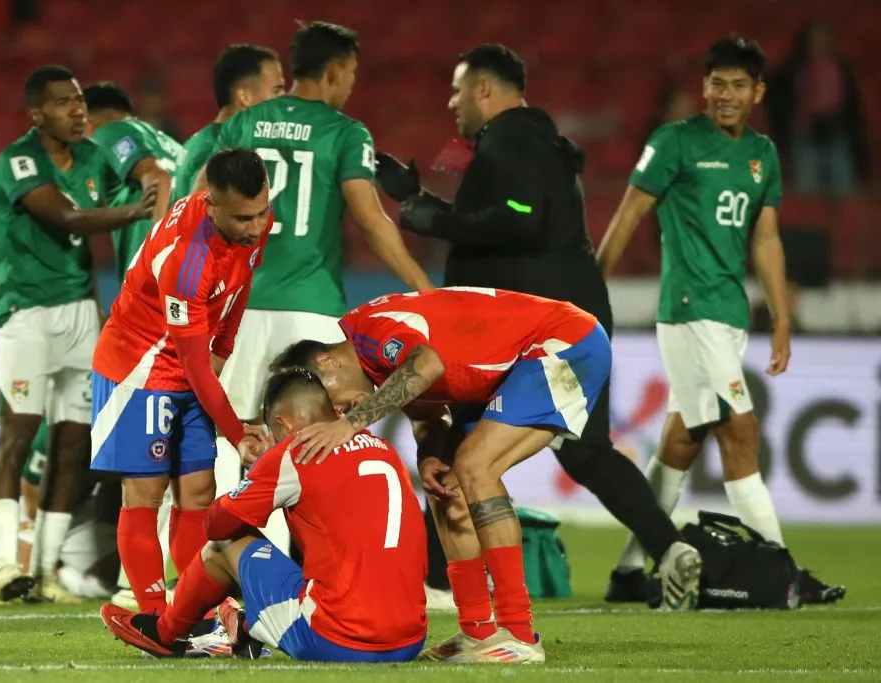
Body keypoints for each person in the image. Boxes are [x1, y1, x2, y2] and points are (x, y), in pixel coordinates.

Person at [374, 44, 699, 610]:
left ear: (483, 90)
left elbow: (520, 219)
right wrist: (418, 198)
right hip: (560, 323)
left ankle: (436, 582)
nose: (451, 103)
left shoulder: (514, 137)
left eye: (457, 90)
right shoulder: (527, 140)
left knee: (457, 443)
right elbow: (512, 218)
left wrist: (439, 220)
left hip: (539, 331)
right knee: (583, 451)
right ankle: (669, 549)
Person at [273, 287, 693, 664]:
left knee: (475, 466)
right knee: (446, 488)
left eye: (333, 402)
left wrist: (348, 426)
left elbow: (428, 365)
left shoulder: (373, 329)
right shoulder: (376, 368)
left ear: (327, 360)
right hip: (515, 367)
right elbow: (429, 415)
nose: (341, 413)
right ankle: (478, 631)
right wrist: (427, 460)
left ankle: (519, 633)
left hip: (564, 343)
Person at [596, 35, 844, 605]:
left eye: (737, 85)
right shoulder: (675, 142)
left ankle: (630, 570)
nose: (724, 95)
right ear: (703, 87)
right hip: (689, 310)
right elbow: (630, 212)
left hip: (729, 313)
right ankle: (783, 569)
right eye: (715, 83)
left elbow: (766, 237)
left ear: (757, 92)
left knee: (681, 442)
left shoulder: (764, 154)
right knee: (742, 430)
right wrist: (591, 287)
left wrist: (781, 316)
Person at [197, 20, 433, 556]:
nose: (350, 82)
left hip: (239, 307)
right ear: (332, 72)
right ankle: (327, 563)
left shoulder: (244, 123)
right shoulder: (347, 133)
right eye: (350, 72)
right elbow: (371, 221)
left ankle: (223, 565)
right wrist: (423, 288)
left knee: (233, 436)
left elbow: (201, 203)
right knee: (318, 440)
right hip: (312, 311)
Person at [99, 368, 428, 662]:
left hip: (336, 639)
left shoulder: (294, 452)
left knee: (223, 542)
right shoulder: (383, 449)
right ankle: (244, 625)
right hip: (411, 639)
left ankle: (166, 634)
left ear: (283, 424)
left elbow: (215, 524)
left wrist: (258, 473)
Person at [0, 64, 156, 605]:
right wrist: (137, 208)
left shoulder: (93, 158)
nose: (77, 111)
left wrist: (153, 176)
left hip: (82, 314)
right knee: (18, 434)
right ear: (37, 114)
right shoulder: (18, 161)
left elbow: (136, 173)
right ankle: (5, 561)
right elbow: (70, 218)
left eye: (80, 102)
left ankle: (47, 569)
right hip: (28, 315)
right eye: (63, 104)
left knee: (74, 444)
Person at [90, 148, 274, 615]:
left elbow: (240, 286)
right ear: (211, 205)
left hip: (189, 362)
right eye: (243, 218)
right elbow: (192, 368)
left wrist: (225, 348)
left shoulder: (255, 223)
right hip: (140, 367)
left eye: (261, 212)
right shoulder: (187, 259)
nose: (255, 227)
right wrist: (238, 433)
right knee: (146, 493)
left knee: (198, 492)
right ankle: (154, 616)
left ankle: (195, 610)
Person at [0, 420, 118, 601]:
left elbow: (114, 489)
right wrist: (41, 560)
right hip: (19, 497)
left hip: (77, 503)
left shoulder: (123, 427)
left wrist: (109, 534)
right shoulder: (60, 428)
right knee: (27, 577)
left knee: (113, 581)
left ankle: (57, 579)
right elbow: (34, 505)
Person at [84, 81, 182, 282]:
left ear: (87, 121)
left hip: (155, 276)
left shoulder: (109, 132)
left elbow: (158, 178)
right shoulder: (171, 144)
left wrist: (159, 256)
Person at [173, 44, 285, 204]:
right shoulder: (215, 148)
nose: (284, 98)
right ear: (244, 97)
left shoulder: (201, 141)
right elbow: (200, 211)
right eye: (277, 90)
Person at [765, 20, 866, 196]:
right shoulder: (793, 67)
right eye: (815, 38)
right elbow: (779, 99)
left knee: (844, 186)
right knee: (806, 186)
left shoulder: (840, 66)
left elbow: (851, 102)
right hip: (804, 130)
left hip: (836, 130)